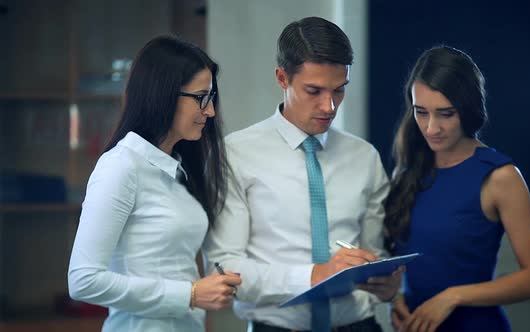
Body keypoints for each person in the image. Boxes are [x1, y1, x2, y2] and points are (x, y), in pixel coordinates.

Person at [204, 16, 402, 332]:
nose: (329, 107)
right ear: (282, 78)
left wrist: (387, 285)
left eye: (339, 90)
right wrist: (314, 274)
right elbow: (226, 269)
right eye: (314, 90)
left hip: (359, 326)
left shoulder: (364, 157)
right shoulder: (235, 154)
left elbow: (374, 254)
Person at [67, 35, 241, 332]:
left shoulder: (178, 168)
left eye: (211, 99)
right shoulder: (121, 166)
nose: (210, 112)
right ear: (163, 94)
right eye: (201, 98)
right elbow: (83, 281)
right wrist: (191, 294)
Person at [384, 45, 530, 332]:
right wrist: (394, 298)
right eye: (421, 112)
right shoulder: (409, 169)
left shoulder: (500, 176)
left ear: (468, 108)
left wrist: (454, 296)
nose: (431, 128)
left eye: (445, 114)